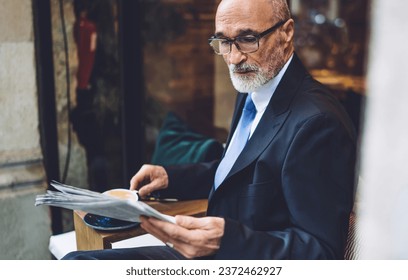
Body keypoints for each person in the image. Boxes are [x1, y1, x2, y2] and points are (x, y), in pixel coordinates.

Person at [63, 0, 356, 260]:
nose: (233, 57)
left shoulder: (319, 123)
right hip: (207, 254)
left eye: (247, 38)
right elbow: (247, 175)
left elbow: (320, 252)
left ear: (287, 33)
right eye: (223, 42)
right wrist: (172, 177)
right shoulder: (255, 84)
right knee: (77, 264)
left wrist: (226, 241)